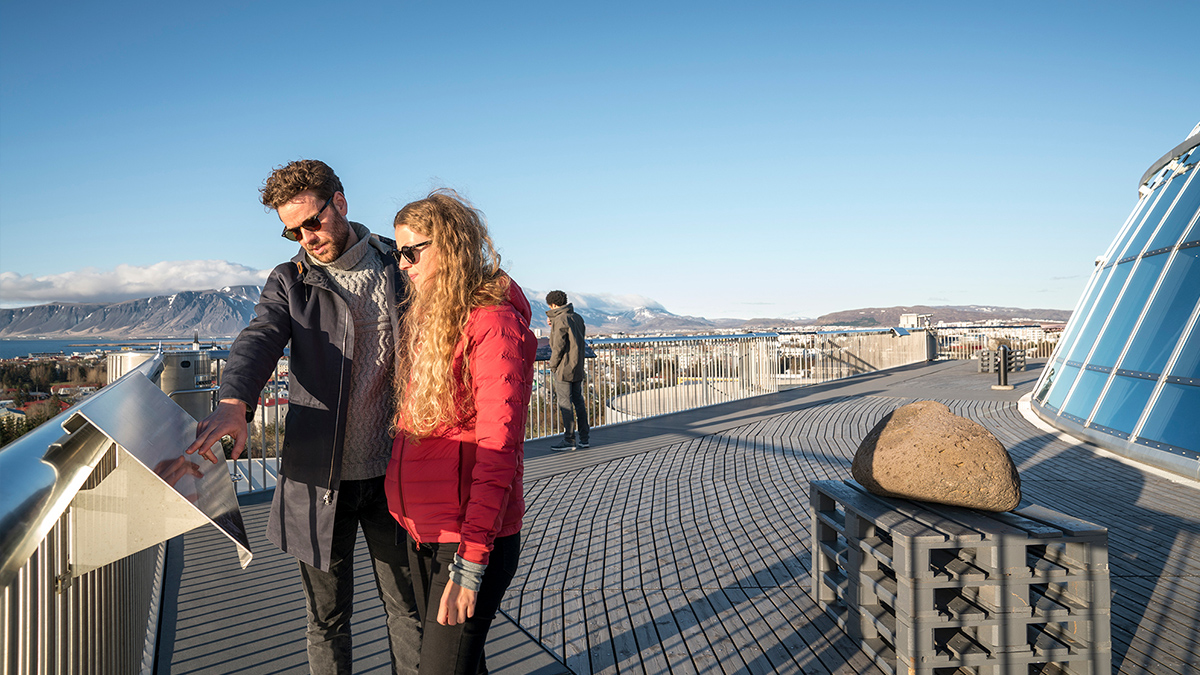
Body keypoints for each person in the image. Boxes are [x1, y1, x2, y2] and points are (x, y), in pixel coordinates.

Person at [186, 159, 420, 675]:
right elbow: (259, 338)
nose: (305, 237)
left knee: (410, 611)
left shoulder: (397, 263)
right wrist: (233, 402)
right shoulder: (289, 280)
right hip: (318, 479)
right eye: (291, 230)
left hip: (397, 474)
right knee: (326, 618)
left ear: (340, 201)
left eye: (311, 221)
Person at [384, 189, 536, 675]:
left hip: (469, 538)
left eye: (411, 251)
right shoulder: (436, 318)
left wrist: (470, 562)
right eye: (397, 252)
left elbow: (498, 451)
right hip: (426, 530)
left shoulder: (492, 322)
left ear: (448, 247)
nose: (403, 264)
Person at [545, 290, 590, 451]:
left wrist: (553, 365)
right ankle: (584, 438)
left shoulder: (560, 319)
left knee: (565, 403)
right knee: (579, 402)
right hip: (577, 366)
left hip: (564, 367)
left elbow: (557, 345)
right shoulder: (577, 317)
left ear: (553, 305)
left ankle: (569, 439)